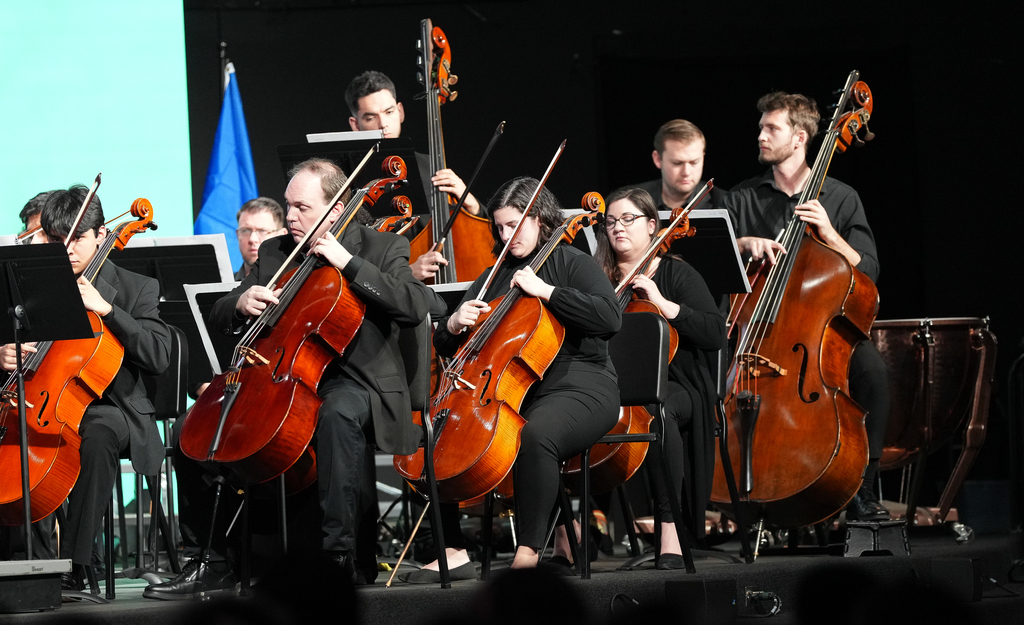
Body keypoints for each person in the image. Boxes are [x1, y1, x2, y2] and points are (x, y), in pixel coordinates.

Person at [146, 158, 429, 598]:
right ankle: (211, 559)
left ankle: (339, 556)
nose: (291, 217)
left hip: (355, 381)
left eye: (302, 207)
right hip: (280, 376)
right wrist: (241, 302)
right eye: (288, 206)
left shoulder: (380, 247)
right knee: (190, 431)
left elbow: (413, 304)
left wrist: (349, 263)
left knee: (336, 413)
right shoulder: (277, 251)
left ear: (336, 209)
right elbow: (221, 310)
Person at [433, 177, 621, 569]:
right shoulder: (493, 276)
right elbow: (447, 345)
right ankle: (452, 550)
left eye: (514, 225)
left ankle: (527, 553)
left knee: (535, 433)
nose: (506, 236)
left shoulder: (572, 262)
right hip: (517, 391)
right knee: (433, 434)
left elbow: (609, 318)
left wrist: (547, 291)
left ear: (538, 219)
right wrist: (452, 324)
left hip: (582, 384)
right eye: (499, 227)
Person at [722, 91, 890, 521]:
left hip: (816, 330)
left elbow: (867, 272)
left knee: (871, 370)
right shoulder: (741, 198)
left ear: (799, 138)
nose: (760, 135)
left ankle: (863, 491)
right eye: (761, 127)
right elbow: (710, 262)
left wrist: (831, 235)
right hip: (755, 330)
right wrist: (741, 243)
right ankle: (724, 488)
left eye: (770, 128)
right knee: (703, 368)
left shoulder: (841, 197)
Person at [1, 186, 171, 588]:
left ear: (100, 235)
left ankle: (78, 565)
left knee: (94, 434)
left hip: (117, 409)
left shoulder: (135, 287)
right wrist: (4, 353)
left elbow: (159, 355)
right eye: (60, 240)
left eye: (77, 238)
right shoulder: (37, 287)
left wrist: (108, 310)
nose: (69, 250)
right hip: (46, 401)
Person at [594, 187, 726, 568]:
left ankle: (670, 531)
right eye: (611, 221)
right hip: (613, 386)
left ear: (653, 226)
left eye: (628, 219)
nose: (618, 227)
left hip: (679, 386)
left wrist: (663, 303)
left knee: (658, 410)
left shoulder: (675, 272)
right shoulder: (599, 279)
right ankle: (573, 536)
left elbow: (714, 333)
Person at [344, 70, 480, 282]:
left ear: (400, 112)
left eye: (389, 112)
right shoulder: (348, 180)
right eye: (371, 117)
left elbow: (477, 232)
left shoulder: (431, 166)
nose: (383, 124)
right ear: (355, 124)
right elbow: (350, 255)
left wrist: (472, 204)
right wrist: (406, 272)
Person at [631, 119, 725, 212]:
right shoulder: (630, 201)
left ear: (703, 159)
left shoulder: (724, 203)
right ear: (658, 159)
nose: (686, 172)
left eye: (694, 162)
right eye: (677, 163)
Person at [234, 197, 286, 280]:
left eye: (262, 231)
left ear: (282, 235)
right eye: (245, 231)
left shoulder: (296, 281)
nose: (252, 239)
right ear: (237, 235)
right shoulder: (221, 288)